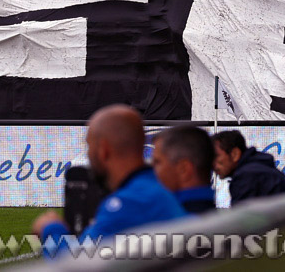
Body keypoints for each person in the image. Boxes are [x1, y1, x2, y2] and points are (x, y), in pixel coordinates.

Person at [32, 105, 186, 256]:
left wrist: (50, 228)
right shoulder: (155, 189)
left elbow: (77, 261)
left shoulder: (129, 202)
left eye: (89, 145)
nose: (88, 154)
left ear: (103, 149)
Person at [212, 130, 285, 205]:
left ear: (235, 154)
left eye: (216, 156)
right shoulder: (256, 170)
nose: (212, 163)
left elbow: (242, 221)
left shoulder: (247, 176)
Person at [152, 125, 217, 214]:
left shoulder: (175, 219)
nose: (151, 169)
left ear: (183, 169)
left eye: (157, 162)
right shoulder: (218, 218)